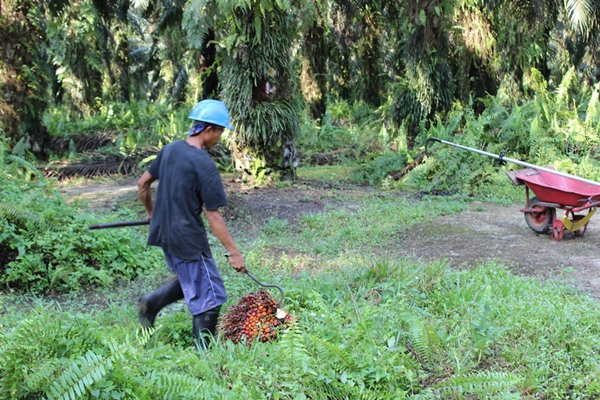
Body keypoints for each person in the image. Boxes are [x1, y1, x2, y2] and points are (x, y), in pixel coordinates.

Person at [136, 99, 246, 349]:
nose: (220, 137)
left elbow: (143, 184)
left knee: (191, 277)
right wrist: (234, 252)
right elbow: (214, 215)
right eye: (221, 131)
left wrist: (152, 213)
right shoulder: (204, 164)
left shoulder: (169, 150)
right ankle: (203, 356)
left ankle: (151, 303)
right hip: (187, 238)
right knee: (212, 296)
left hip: (163, 234)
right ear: (209, 130)